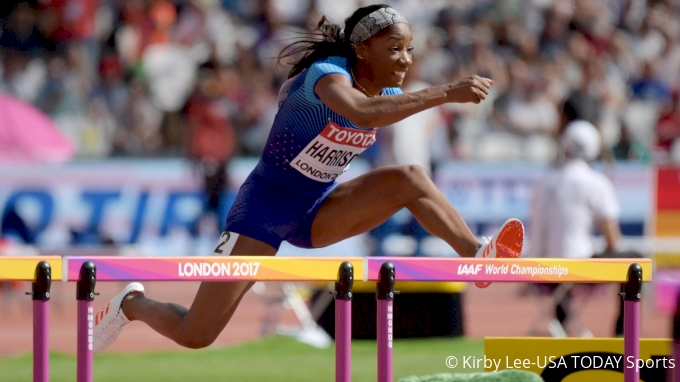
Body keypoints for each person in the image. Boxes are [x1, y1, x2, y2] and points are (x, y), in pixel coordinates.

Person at [92, 4, 524, 353]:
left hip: (318, 211)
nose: (406, 60)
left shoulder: (386, 95)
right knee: (196, 335)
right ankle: (131, 302)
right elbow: (361, 113)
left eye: (409, 50)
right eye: (395, 49)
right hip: (262, 212)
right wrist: (447, 93)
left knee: (410, 178)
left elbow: (385, 113)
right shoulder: (327, 76)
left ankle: (478, 254)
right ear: (362, 49)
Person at [526, 119, 632, 336]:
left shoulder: (544, 180)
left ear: (565, 146)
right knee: (634, 262)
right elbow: (613, 241)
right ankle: (623, 332)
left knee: (562, 257)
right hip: (577, 266)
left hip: (536, 266)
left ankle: (562, 323)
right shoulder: (596, 182)